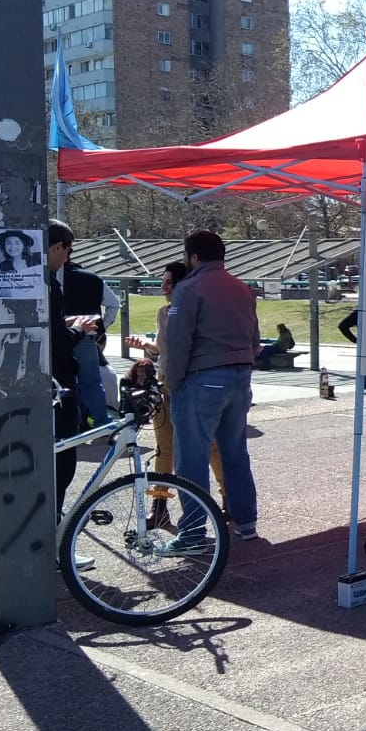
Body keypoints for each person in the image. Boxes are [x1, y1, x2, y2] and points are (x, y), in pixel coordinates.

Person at [160, 229, 262, 545]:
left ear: (193, 257)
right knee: (235, 452)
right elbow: (255, 340)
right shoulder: (243, 289)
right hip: (240, 378)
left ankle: (192, 531)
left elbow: (177, 344)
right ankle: (246, 521)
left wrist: (173, 383)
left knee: (191, 459)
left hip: (201, 379)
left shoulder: (188, 289)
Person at [125, 260, 225, 497]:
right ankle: (160, 502)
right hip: (165, 384)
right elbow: (163, 348)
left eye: (169, 283)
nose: (164, 288)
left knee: (210, 444)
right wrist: (146, 345)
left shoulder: (196, 310)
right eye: (163, 283)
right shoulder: (163, 312)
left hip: (191, 385)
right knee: (164, 446)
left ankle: (226, 497)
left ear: (182, 284)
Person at [51, 228, 120, 427]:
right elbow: (114, 304)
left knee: (62, 382)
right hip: (86, 335)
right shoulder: (92, 279)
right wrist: (101, 327)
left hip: (57, 337)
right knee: (91, 383)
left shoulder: (45, 279)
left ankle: (73, 423)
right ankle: (101, 423)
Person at [45, 221, 92, 507]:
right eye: (67, 250)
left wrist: (65, 325)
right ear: (56, 247)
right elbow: (57, 341)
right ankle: (55, 519)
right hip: (58, 381)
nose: (67, 257)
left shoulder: (32, 280)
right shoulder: (49, 284)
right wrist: (78, 330)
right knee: (63, 457)